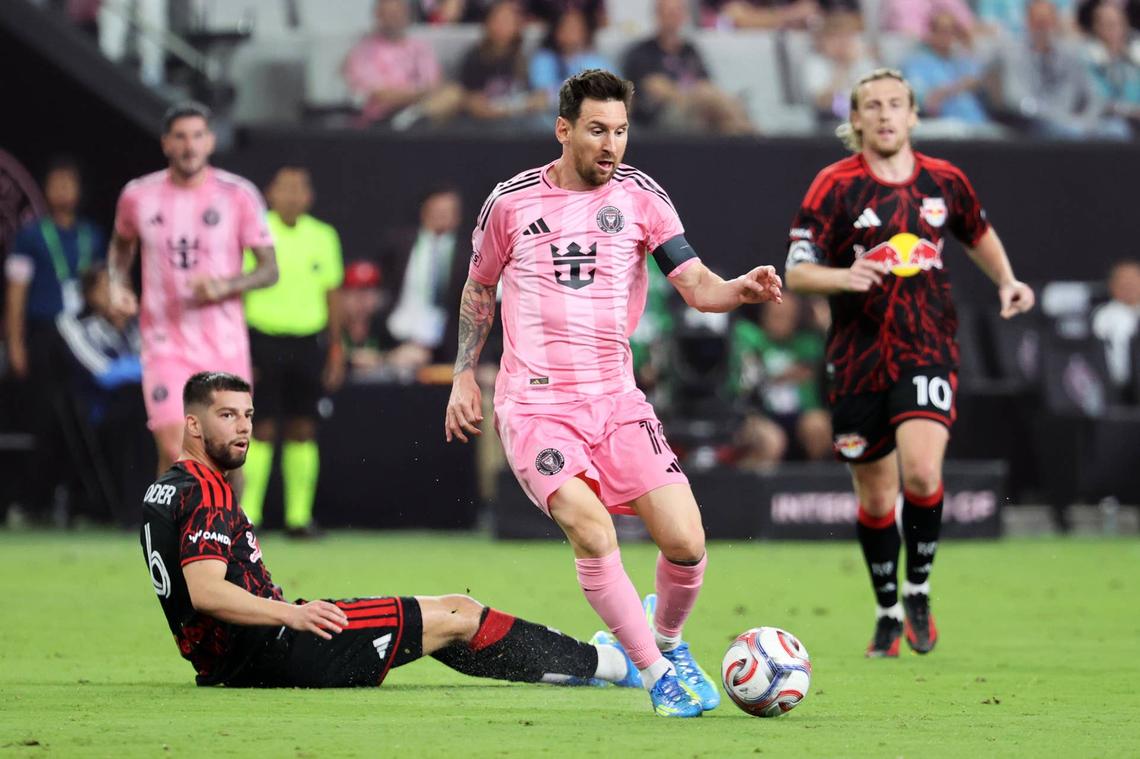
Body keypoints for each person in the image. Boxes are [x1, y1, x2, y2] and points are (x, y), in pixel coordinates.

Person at [443, 69, 783, 717]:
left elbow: (695, 284)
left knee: (686, 541)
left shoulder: (642, 197)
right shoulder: (510, 203)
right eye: (598, 130)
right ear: (563, 129)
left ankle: (662, 641)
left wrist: (739, 288)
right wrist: (465, 371)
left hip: (616, 401)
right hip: (536, 406)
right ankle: (658, 678)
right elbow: (479, 288)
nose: (612, 144)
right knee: (593, 533)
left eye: (621, 131)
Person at [141, 371, 641, 690]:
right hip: (278, 652)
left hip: (228, 663)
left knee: (441, 628)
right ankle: (616, 664)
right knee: (458, 613)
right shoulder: (206, 489)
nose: (243, 428)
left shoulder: (164, 490)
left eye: (247, 415)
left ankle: (588, 663)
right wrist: (291, 619)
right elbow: (206, 592)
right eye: (226, 416)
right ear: (192, 426)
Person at [783, 68, 1035, 658]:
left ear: (914, 115)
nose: (886, 114)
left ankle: (919, 591)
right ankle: (887, 609)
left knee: (920, 474)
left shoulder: (945, 180)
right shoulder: (834, 185)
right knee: (875, 496)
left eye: (896, 104)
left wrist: (1008, 280)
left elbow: (978, 233)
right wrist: (844, 275)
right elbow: (796, 270)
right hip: (856, 355)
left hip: (927, 345)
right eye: (873, 105)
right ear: (857, 120)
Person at [107, 102, 279, 476]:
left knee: (226, 460)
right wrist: (117, 285)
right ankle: (169, 536)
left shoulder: (238, 195)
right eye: (181, 137)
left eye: (198, 136)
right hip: (164, 343)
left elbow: (269, 270)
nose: (190, 146)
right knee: (174, 449)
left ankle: (228, 532)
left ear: (211, 142)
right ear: (166, 143)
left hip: (224, 346)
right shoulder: (138, 195)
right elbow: (121, 247)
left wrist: (224, 286)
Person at [239, 166, 344, 538]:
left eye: (300, 188)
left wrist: (336, 347)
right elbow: (238, 292)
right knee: (260, 427)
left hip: (307, 342)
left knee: (303, 427)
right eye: (285, 188)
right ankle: (248, 517)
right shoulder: (254, 232)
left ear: (309, 195)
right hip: (262, 339)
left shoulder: (324, 236)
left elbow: (333, 294)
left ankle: (299, 518)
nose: (293, 195)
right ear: (270, 193)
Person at [4, 158, 105, 519]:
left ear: (79, 191)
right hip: (44, 335)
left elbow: (101, 287)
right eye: (56, 183)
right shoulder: (31, 235)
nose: (63, 190)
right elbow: (16, 293)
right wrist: (15, 343)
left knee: (82, 418)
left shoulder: (91, 235)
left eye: (69, 183)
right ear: (46, 190)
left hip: (83, 338)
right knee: (45, 417)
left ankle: (79, 502)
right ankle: (34, 501)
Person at [991, 0, 1122, 138]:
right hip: (1036, 125)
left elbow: (1093, 97)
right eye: (1038, 22)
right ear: (1028, 22)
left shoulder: (1071, 55)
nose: (1043, 28)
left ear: (1056, 23)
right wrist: (1059, 120)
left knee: (1116, 129)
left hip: (1074, 123)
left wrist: (1085, 121)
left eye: (1047, 22)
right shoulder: (1013, 55)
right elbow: (1017, 100)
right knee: (1066, 132)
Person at [727, 294, 832, 462]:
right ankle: (755, 488)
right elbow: (744, 380)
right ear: (764, 314)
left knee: (819, 426)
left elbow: (840, 350)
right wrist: (780, 376)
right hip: (762, 415)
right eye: (776, 315)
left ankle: (812, 484)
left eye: (788, 317)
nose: (781, 322)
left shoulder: (807, 344)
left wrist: (824, 324)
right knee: (771, 440)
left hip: (801, 414)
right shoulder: (752, 338)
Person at [624, 0, 753, 134]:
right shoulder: (642, 53)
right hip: (663, 115)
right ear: (657, 15)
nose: (673, 17)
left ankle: (748, 139)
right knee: (713, 101)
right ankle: (752, 134)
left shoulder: (690, 51)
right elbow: (656, 89)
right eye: (668, 12)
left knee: (727, 125)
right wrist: (692, 95)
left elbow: (706, 83)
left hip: (699, 111)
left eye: (677, 12)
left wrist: (695, 94)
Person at [380, 185, 469, 369]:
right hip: (397, 334)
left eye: (447, 211)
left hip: (446, 345)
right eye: (436, 211)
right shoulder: (400, 245)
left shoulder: (469, 253)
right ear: (424, 212)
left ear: (457, 216)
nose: (441, 217)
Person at [343, 0, 463, 129]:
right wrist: (419, 94)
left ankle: (413, 117)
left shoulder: (419, 48)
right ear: (378, 16)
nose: (393, 19)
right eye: (388, 14)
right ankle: (410, 118)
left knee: (453, 94)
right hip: (382, 117)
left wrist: (421, 96)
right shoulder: (364, 51)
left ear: (406, 15)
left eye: (397, 13)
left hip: (421, 109)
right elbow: (380, 95)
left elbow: (434, 84)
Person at [458, 0, 548, 130]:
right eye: (498, 20)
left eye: (508, 21)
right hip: (483, 129)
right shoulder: (474, 58)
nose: (502, 26)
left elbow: (539, 98)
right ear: (487, 24)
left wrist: (521, 106)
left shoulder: (523, 58)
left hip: (520, 127)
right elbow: (475, 104)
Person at [902, 10, 992, 126]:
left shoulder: (961, 61)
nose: (948, 37)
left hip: (977, 124)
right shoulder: (916, 63)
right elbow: (926, 102)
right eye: (943, 31)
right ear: (931, 33)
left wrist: (967, 44)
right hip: (943, 128)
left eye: (952, 32)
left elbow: (980, 81)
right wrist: (957, 87)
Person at [529, 8, 615, 115]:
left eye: (578, 27)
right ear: (557, 32)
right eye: (568, 27)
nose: (573, 32)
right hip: (551, 117)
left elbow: (613, 91)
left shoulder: (596, 60)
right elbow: (543, 95)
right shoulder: (544, 59)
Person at [801, 12, 879, 125]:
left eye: (847, 37)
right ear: (822, 42)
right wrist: (843, 68)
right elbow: (822, 103)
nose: (842, 43)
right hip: (828, 121)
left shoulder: (862, 61)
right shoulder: (816, 64)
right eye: (835, 37)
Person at [1084, 0, 1140, 133]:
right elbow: (1099, 100)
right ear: (1096, 27)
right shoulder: (1088, 58)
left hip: (1135, 118)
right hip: (1105, 119)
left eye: (1118, 24)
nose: (1114, 30)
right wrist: (1131, 111)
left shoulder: (1135, 55)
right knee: (1117, 129)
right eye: (1108, 25)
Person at [1091, 258, 1140, 401]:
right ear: (1112, 286)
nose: (1129, 286)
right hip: (1113, 386)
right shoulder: (1103, 317)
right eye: (1123, 282)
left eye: (1134, 280)